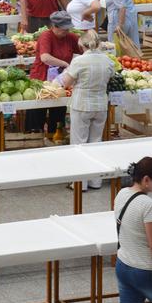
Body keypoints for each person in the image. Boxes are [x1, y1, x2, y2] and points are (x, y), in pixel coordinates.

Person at [114, 157, 152, 303]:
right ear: (146, 179)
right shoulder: (149, 206)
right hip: (146, 271)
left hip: (124, 264)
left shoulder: (121, 194)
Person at [60, 30, 115, 188]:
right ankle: (95, 181)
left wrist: (66, 73)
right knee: (95, 142)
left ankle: (80, 183)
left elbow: (67, 83)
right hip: (100, 105)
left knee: (79, 143)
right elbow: (111, 76)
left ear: (81, 45)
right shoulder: (107, 60)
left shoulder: (79, 62)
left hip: (82, 104)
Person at [25, 11, 83, 132]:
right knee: (37, 111)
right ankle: (34, 136)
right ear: (54, 26)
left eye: (68, 28)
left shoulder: (70, 37)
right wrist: (65, 64)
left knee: (58, 111)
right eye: (64, 29)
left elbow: (85, 47)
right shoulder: (46, 36)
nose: (67, 31)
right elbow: (45, 58)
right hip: (41, 79)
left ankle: (56, 136)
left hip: (60, 81)